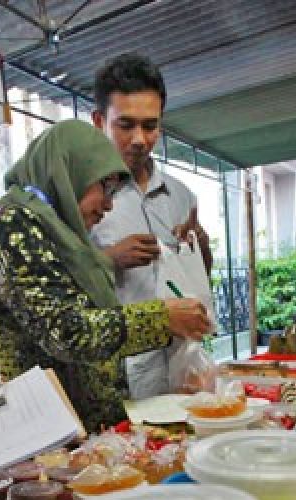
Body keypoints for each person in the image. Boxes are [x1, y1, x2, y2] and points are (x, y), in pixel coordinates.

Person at [0, 119, 211, 432]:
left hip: (76, 426)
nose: (108, 205)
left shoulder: (58, 232)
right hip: (46, 434)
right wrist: (162, 318)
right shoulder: (15, 224)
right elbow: (67, 331)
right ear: (70, 172)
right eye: (105, 187)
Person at [89, 53, 212, 399]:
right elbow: (63, 291)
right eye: (125, 125)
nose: (140, 139)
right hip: (117, 372)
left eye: (150, 125)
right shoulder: (82, 200)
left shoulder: (181, 195)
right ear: (99, 121)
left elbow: (200, 273)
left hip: (181, 363)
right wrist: (110, 258)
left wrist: (199, 246)